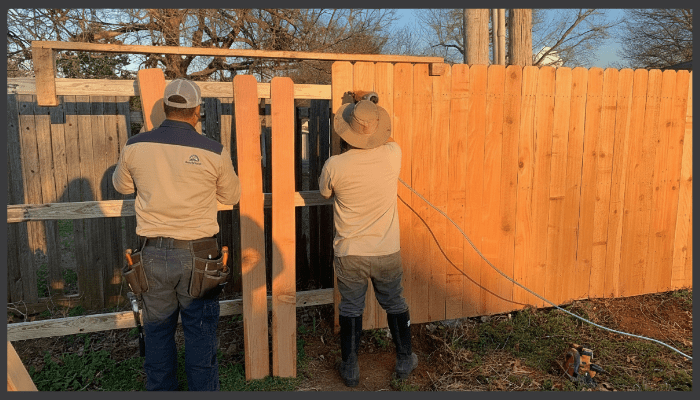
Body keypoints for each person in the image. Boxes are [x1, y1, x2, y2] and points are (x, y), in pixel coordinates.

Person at [113, 78, 241, 391]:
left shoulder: (135, 145)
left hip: (152, 255)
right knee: (200, 336)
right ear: (197, 111)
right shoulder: (214, 151)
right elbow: (232, 195)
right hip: (199, 257)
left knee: (157, 334)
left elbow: (122, 186)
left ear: (167, 109)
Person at [319, 99, 418, 387]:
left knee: (350, 307)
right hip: (386, 250)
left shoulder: (334, 165)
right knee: (395, 302)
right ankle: (404, 358)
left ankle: (350, 368)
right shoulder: (392, 154)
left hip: (351, 252)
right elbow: (389, 140)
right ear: (376, 130)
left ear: (346, 131)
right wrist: (371, 108)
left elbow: (325, 193)